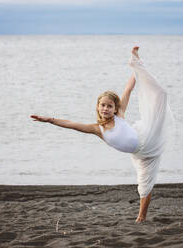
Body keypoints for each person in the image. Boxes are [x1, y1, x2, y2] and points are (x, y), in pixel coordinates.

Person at [31, 46, 173, 223]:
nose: (106, 108)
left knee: (161, 95)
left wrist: (135, 68)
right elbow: (72, 125)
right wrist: (49, 120)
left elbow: (128, 89)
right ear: (98, 107)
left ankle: (140, 217)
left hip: (148, 136)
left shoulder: (120, 115)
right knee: (144, 185)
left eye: (109, 106)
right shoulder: (98, 129)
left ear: (115, 108)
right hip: (139, 153)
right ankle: (142, 216)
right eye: (103, 105)